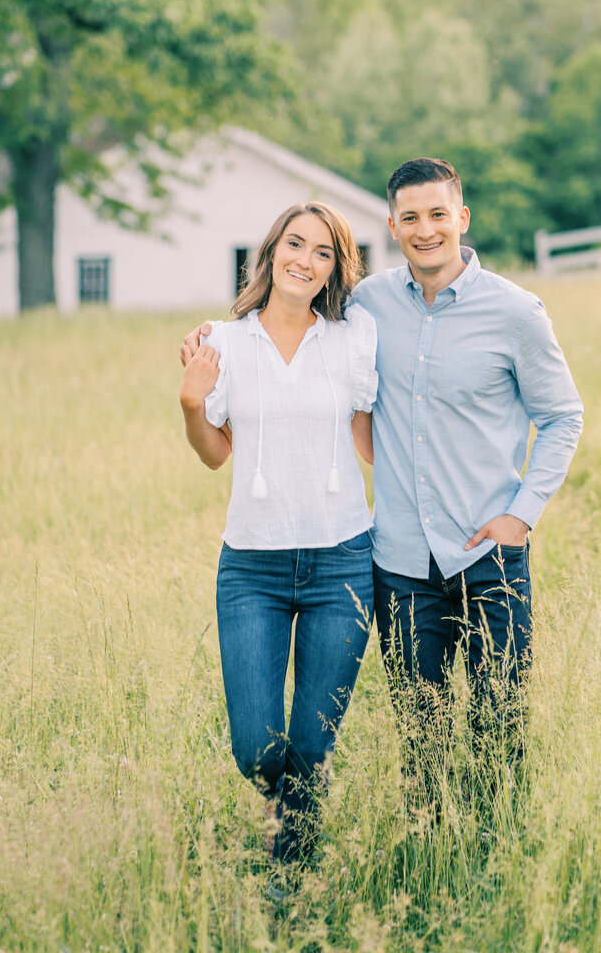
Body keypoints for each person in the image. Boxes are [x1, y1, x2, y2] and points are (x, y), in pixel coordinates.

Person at [182, 160, 582, 788]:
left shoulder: (517, 313)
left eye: (439, 215)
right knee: (421, 743)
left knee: (498, 735)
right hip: (397, 562)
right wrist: (213, 354)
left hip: (488, 552)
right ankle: (422, 854)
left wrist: (521, 513)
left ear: (461, 218)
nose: (427, 230)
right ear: (393, 226)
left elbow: (563, 417)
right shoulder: (366, 309)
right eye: (412, 218)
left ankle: (486, 863)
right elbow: (293, 345)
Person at [178, 201, 377, 888]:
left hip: (342, 561)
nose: (306, 260)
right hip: (252, 570)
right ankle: (282, 812)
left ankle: (291, 873)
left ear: (334, 270)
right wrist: (190, 402)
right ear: (271, 253)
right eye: (296, 244)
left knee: (313, 746)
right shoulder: (224, 345)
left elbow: (371, 444)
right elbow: (214, 455)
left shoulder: (354, 339)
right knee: (257, 745)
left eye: (323, 252)